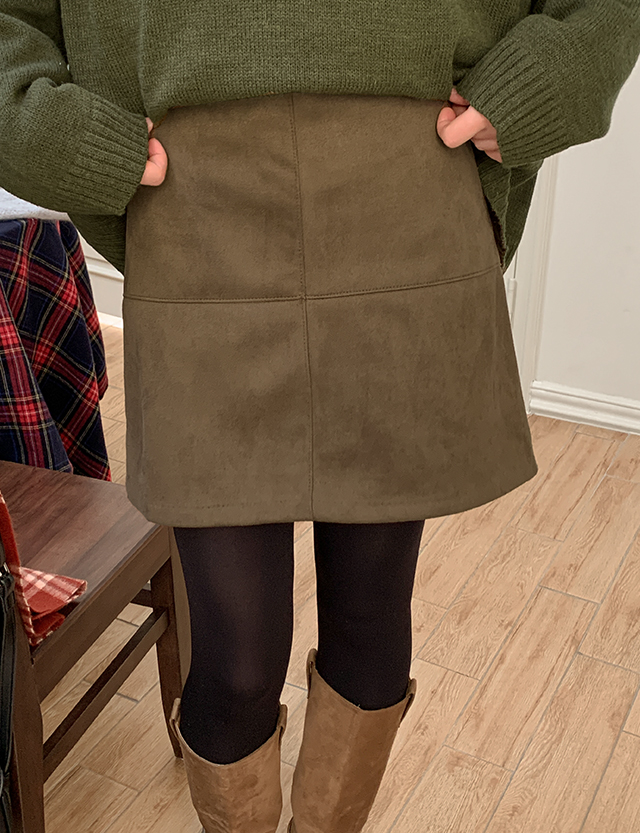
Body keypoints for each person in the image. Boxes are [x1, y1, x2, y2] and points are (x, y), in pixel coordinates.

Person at [1, 3, 639, 832]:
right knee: (236, 663)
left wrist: (546, 78)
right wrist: (55, 135)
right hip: (193, 208)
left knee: (371, 629)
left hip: (410, 186)